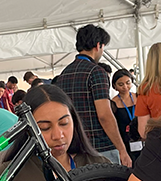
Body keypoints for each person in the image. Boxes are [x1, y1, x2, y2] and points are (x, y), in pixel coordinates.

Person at [55, 24, 131, 166]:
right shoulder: (96, 72)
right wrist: (122, 149)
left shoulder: (63, 75)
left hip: (74, 148)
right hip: (100, 148)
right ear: (98, 45)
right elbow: (104, 115)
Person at [111, 69, 143, 162]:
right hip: (125, 142)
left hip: (141, 139)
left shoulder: (138, 97)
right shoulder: (113, 103)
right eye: (121, 85)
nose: (125, 87)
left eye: (128, 83)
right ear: (115, 86)